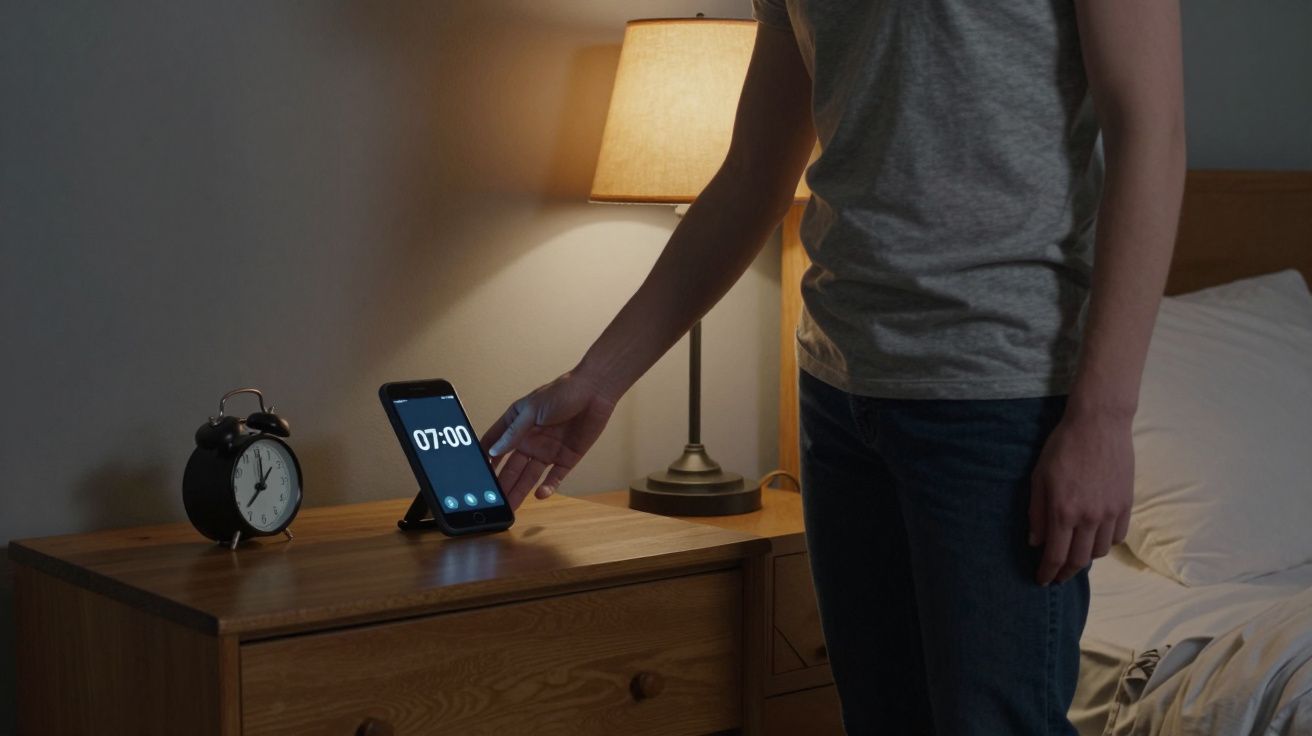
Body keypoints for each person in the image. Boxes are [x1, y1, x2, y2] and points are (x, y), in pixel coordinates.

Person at [481, 1, 1185, 732]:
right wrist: (597, 380)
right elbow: (755, 172)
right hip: (840, 392)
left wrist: (1104, 416)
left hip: (994, 395)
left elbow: (1151, 136)